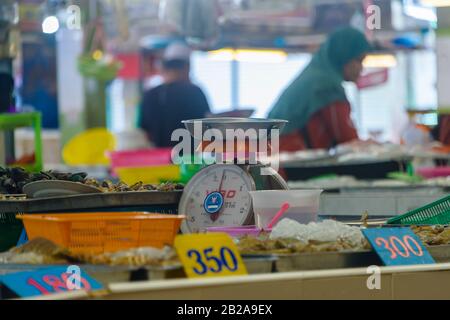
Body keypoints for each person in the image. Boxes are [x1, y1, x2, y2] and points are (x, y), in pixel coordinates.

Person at [268, 27, 372, 152]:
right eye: (359, 61)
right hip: (286, 159)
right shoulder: (326, 85)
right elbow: (347, 139)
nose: (361, 68)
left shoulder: (315, 75)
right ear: (343, 56)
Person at [139, 42, 210, 147]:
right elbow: (208, 129)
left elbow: (143, 132)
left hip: (158, 160)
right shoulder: (195, 92)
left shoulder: (151, 94)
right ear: (187, 67)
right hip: (190, 160)